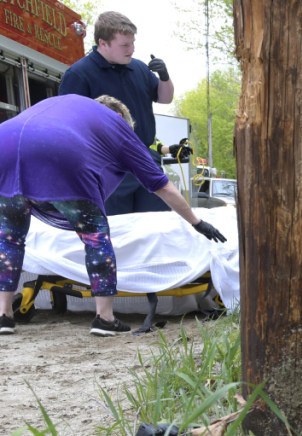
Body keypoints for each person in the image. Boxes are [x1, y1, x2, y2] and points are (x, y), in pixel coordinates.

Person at [0, 95, 227, 336]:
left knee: (10, 239)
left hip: (4, 141)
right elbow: (161, 185)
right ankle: (105, 318)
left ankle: (4, 315)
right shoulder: (115, 124)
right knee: (95, 238)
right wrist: (197, 222)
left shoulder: (68, 107)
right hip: (59, 151)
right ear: (120, 118)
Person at [59, 11, 176, 215]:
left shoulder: (139, 68)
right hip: (107, 166)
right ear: (103, 44)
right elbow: (67, 129)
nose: (131, 49)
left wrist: (164, 77)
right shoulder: (79, 74)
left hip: (145, 159)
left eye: (132, 43)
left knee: (157, 227)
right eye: (125, 45)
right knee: (118, 232)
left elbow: (165, 98)